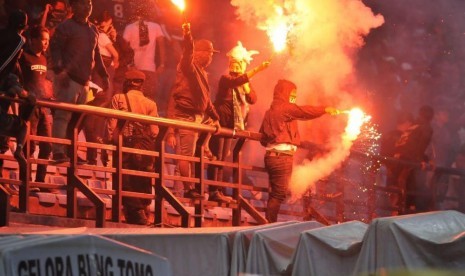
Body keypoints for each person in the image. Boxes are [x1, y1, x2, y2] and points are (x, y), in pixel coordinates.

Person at [259, 79, 339, 223]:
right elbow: (304, 111)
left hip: (274, 156)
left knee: (280, 192)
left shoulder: (271, 111)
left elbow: (262, 138)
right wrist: (324, 109)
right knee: (278, 194)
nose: (294, 97)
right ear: (284, 93)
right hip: (280, 157)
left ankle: (269, 224)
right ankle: (268, 225)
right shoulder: (284, 108)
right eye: (292, 94)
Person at [207, 41, 270, 203]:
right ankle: (213, 189)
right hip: (221, 122)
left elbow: (252, 99)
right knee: (217, 156)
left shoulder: (244, 82)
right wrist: (258, 69)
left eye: (238, 63)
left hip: (232, 125)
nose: (235, 66)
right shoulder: (225, 79)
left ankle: (219, 189)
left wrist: (248, 83)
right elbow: (235, 81)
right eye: (234, 63)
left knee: (224, 157)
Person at [165, 22, 221, 199]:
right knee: (186, 155)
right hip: (186, 117)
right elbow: (188, 51)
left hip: (197, 117)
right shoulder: (187, 66)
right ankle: (189, 188)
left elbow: (206, 102)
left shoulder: (202, 73)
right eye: (210, 53)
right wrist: (187, 33)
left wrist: (215, 117)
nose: (211, 57)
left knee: (211, 124)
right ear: (201, 53)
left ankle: (204, 147)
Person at [49, 0, 109, 164]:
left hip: (85, 82)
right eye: (83, 4)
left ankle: (70, 151)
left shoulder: (93, 30)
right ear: (73, 7)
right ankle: (58, 152)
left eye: (89, 4)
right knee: (62, 117)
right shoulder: (65, 27)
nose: (87, 7)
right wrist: (60, 72)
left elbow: (96, 55)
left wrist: (104, 76)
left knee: (77, 121)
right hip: (68, 79)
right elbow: (55, 49)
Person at [106, 69, 159, 225]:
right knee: (142, 178)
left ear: (127, 82)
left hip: (125, 144)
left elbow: (112, 125)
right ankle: (143, 209)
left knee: (125, 178)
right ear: (142, 85)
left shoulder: (119, 98)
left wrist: (109, 143)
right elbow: (154, 131)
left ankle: (135, 212)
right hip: (145, 148)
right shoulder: (151, 104)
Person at [0, 10, 36, 183]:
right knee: (23, 126)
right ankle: (19, 149)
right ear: (23, 27)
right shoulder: (18, 41)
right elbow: (6, 62)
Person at [18, 25, 54, 184]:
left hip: (44, 107)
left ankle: (40, 181)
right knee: (29, 147)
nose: (46, 43)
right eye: (43, 39)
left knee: (47, 146)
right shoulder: (24, 56)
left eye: (48, 40)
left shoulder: (45, 59)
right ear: (33, 40)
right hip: (29, 106)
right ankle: (26, 181)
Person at [394, 105, 434, 214]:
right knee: (418, 194)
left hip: (399, 163)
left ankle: (402, 214)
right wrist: (420, 161)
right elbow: (420, 147)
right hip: (409, 164)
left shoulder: (414, 126)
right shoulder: (426, 128)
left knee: (406, 195)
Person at [122, 9, 166, 101]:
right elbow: (162, 45)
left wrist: (129, 64)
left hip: (134, 68)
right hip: (149, 68)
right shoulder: (155, 26)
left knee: (132, 97)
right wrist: (162, 64)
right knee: (150, 97)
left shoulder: (130, 27)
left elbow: (124, 46)